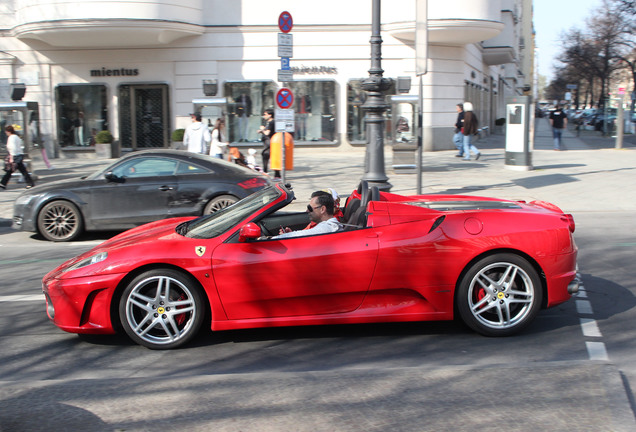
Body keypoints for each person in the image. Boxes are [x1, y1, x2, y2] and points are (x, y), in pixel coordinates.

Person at [272, 191, 343, 239]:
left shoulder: (328, 228)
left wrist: (273, 239)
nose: (307, 211)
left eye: (310, 208)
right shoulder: (328, 226)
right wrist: (290, 234)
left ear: (322, 209)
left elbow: (305, 234)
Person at [1, 125, 35, 190]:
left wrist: (11, 157)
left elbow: (12, 148)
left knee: (12, 170)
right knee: (19, 170)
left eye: (6, 131)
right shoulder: (16, 137)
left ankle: (3, 183)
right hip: (19, 155)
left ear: (8, 131)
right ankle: (3, 183)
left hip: (15, 156)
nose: (5, 132)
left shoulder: (11, 138)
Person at [257, 108, 276, 174]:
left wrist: (262, 130)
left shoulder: (271, 122)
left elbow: (267, 133)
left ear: (270, 115)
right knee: (267, 156)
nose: (264, 116)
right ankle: (268, 172)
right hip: (268, 141)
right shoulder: (268, 123)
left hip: (269, 141)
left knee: (266, 155)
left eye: (265, 114)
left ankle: (267, 172)